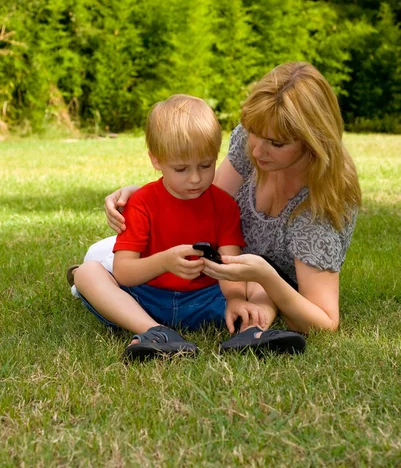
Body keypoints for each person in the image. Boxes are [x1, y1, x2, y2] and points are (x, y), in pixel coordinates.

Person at [103, 62, 361, 352]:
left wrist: (264, 275)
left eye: (276, 144)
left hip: (248, 281)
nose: (257, 150)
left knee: (104, 265)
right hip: (209, 261)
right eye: (253, 132)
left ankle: (250, 334)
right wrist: (143, 195)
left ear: (312, 143)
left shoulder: (319, 208)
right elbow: (204, 198)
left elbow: (326, 321)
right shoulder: (256, 137)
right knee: (98, 262)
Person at [71, 94, 302, 361]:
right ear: (156, 160)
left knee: (263, 274)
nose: (195, 179)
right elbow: (123, 272)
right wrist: (164, 262)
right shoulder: (142, 203)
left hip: (208, 300)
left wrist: (237, 299)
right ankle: (156, 333)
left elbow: (231, 265)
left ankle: (250, 332)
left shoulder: (224, 206)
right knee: (87, 273)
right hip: (146, 301)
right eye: (181, 169)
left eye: (205, 166)